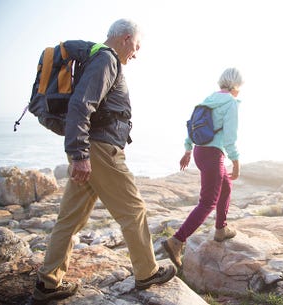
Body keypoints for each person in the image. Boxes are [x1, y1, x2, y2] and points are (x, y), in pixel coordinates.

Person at [33, 19, 176, 302]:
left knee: (69, 219)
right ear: (125, 38)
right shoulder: (106, 60)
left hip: (90, 149)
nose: (136, 53)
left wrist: (79, 153)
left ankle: (48, 284)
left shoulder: (98, 58)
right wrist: (79, 155)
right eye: (136, 46)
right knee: (133, 210)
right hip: (99, 151)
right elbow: (80, 105)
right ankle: (147, 272)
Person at [162, 67, 243, 268]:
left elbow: (193, 125)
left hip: (199, 151)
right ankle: (177, 240)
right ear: (235, 86)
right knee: (207, 202)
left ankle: (220, 229)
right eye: (239, 87)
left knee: (225, 187)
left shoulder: (207, 100)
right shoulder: (231, 103)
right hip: (213, 154)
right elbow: (231, 137)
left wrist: (188, 149)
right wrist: (236, 162)